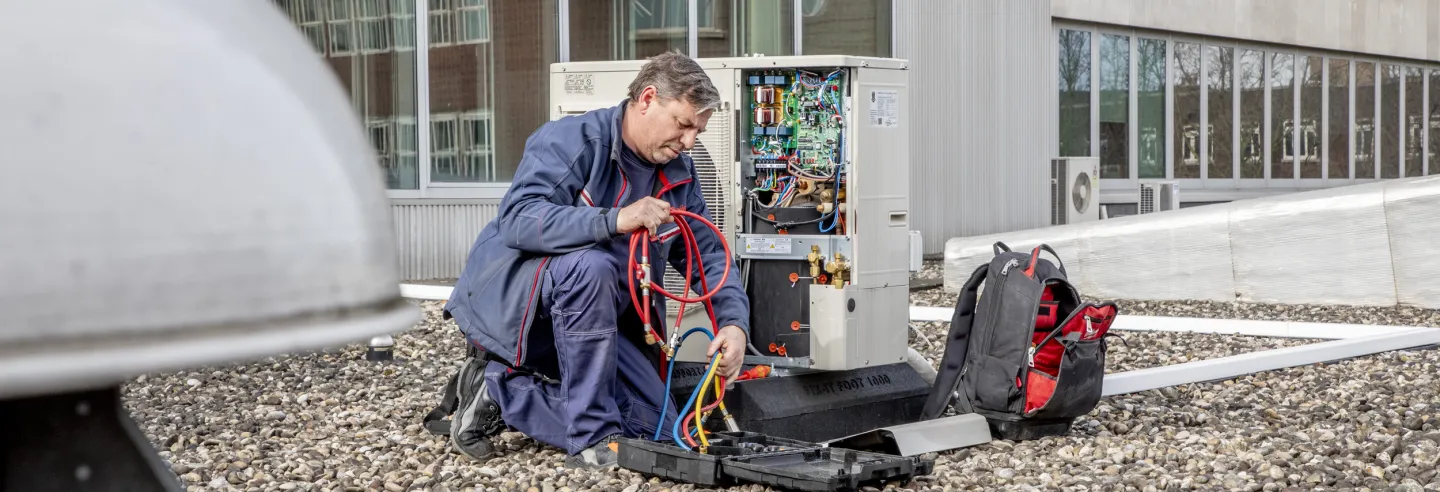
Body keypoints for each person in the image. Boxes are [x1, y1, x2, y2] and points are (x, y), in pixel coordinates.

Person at [437, 50, 751, 469]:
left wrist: (733, 324)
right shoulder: (572, 138)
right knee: (593, 266)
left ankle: (500, 391)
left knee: (660, 433)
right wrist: (617, 219)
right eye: (684, 124)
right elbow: (518, 220)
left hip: (602, 331)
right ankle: (592, 435)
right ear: (647, 99)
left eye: (699, 130)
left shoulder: (679, 173)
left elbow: (707, 256)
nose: (690, 141)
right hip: (525, 320)